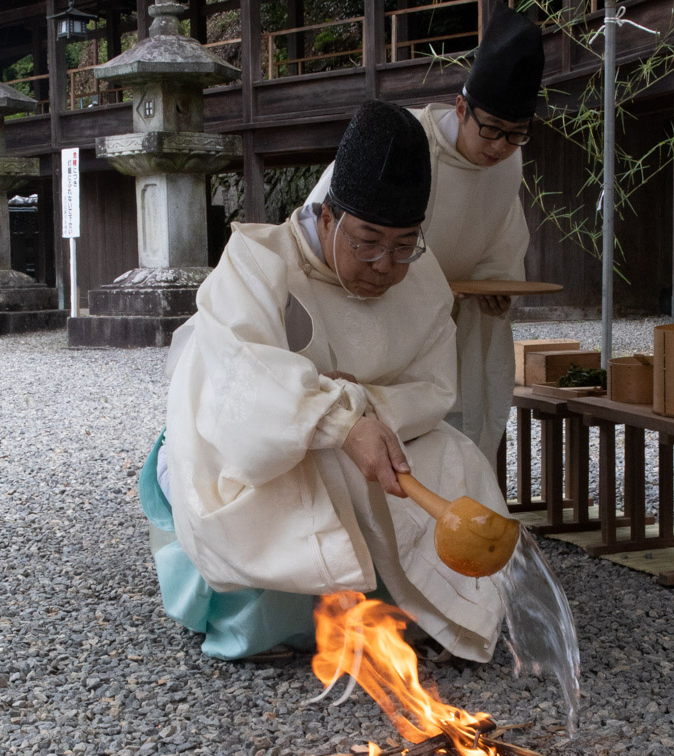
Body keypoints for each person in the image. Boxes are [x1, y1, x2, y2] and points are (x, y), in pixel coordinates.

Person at [139, 99, 507, 663]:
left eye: (404, 245)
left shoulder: (423, 279)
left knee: (456, 458)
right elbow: (238, 383)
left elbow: (432, 389)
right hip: (249, 439)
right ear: (328, 217)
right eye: (367, 241)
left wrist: (360, 410)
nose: (386, 264)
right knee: (305, 472)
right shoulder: (259, 262)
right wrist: (334, 418)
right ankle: (264, 627)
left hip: (381, 425)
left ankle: (442, 614)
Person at [305, 2, 544, 462]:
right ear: (461, 107)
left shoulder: (509, 161)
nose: (500, 147)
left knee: (458, 422)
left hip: (454, 314)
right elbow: (332, 220)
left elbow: (502, 233)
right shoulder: (404, 140)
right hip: (383, 297)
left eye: (516, 134)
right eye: (491, 129)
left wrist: (498, 281)